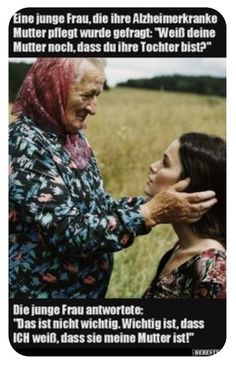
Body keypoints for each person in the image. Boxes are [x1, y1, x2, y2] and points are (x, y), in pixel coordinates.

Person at [9, 58, 217, 299]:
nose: (94, 108)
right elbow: (69, 233)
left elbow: (97, 208)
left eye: (98, 94)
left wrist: (153, 205)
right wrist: (150, 214)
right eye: (87, 95)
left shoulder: (72, 138)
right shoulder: (22, 144)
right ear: (53, 89)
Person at [143, 132, 226, 299]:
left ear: (190, 184)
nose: (153, 166)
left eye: (165, 163)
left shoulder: (212, 269)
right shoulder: (181, 247)